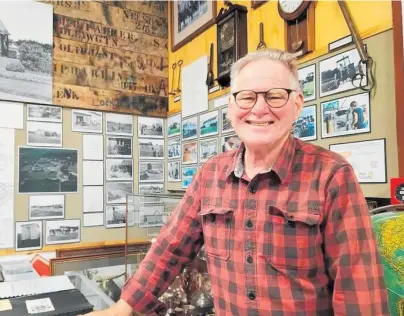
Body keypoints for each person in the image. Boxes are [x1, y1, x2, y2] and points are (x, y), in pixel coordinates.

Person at [82, 49, 389, 315]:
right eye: (247, 97)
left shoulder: (331, 175)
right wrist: (122, 308)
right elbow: (169, 247)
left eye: (275, 95)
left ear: (297, 103)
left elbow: (358, 287)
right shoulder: (210, 175)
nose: (259, 108)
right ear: (231, 107)